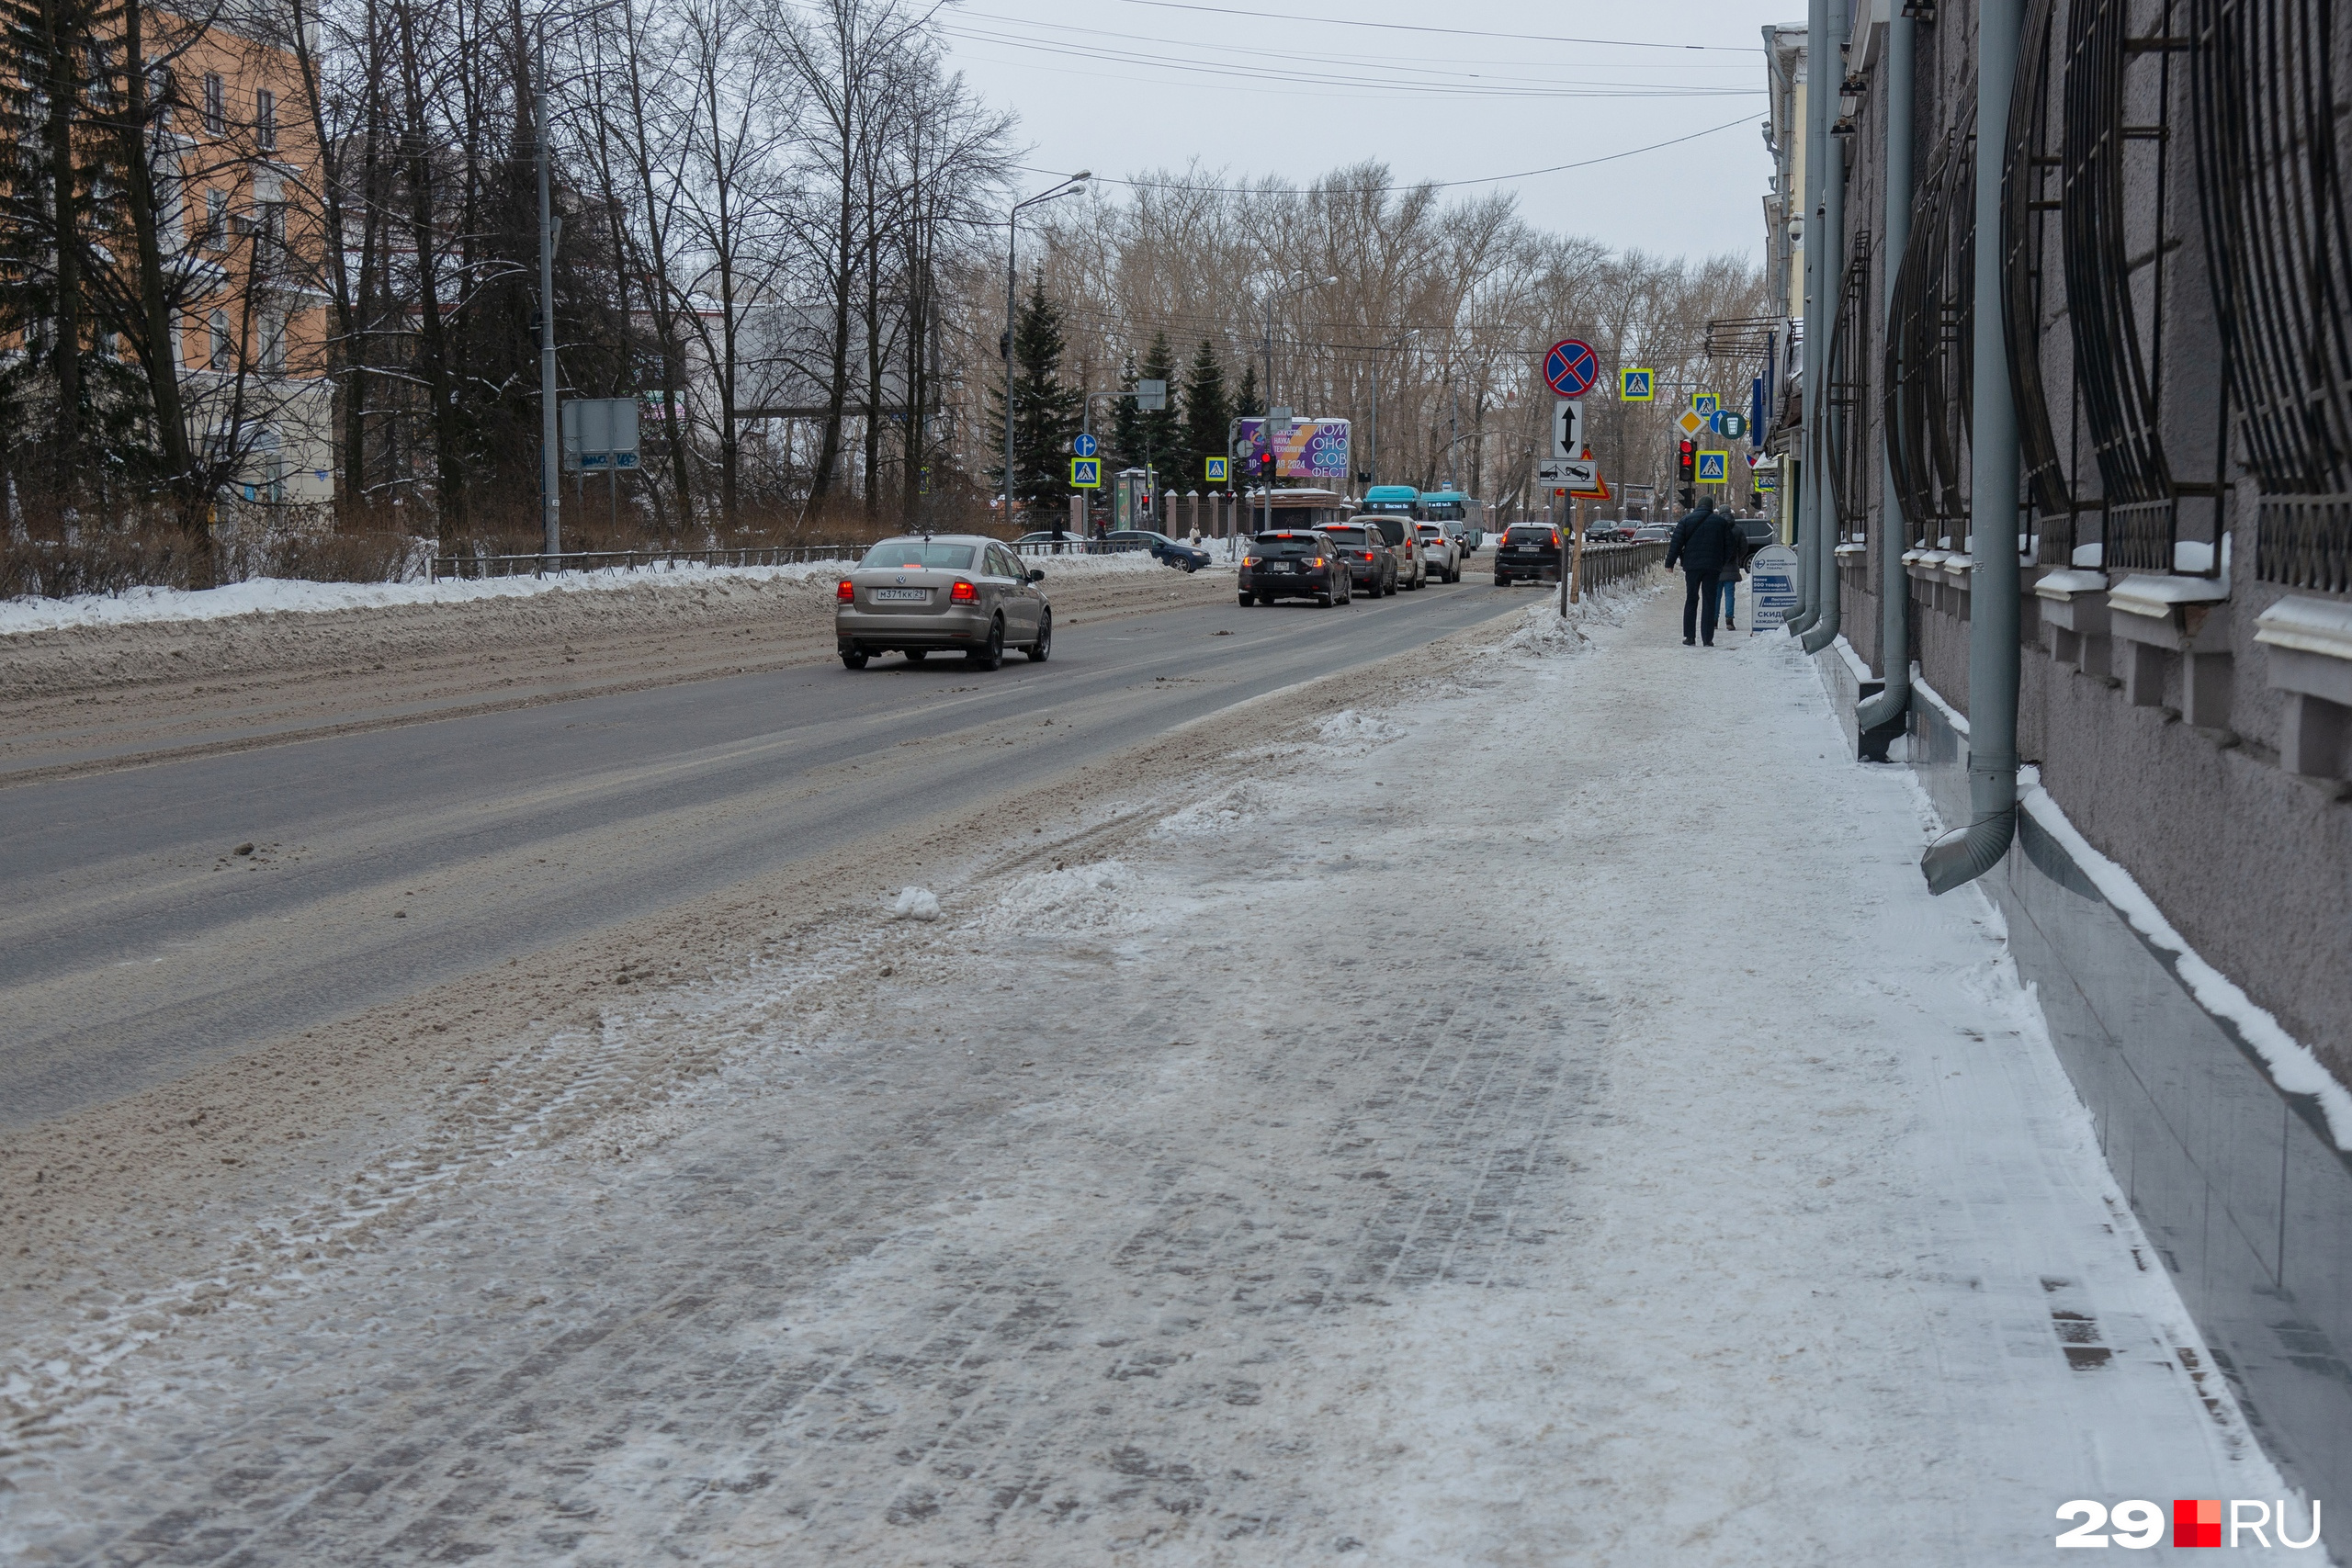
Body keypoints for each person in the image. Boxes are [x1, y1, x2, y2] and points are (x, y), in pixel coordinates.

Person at [1665, 496, 1741, 647]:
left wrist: (1670, 563)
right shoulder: (1720, 522)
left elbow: (1676, 543)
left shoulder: (1686, 520)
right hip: (1713, 568)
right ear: (1712, 507)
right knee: (1709, 601)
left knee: (1691, 599)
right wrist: (1721, 561)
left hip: (1692, 567)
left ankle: (1690, 637)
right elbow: (1730, 545)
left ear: (1699, 505)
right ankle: (1707, 638)